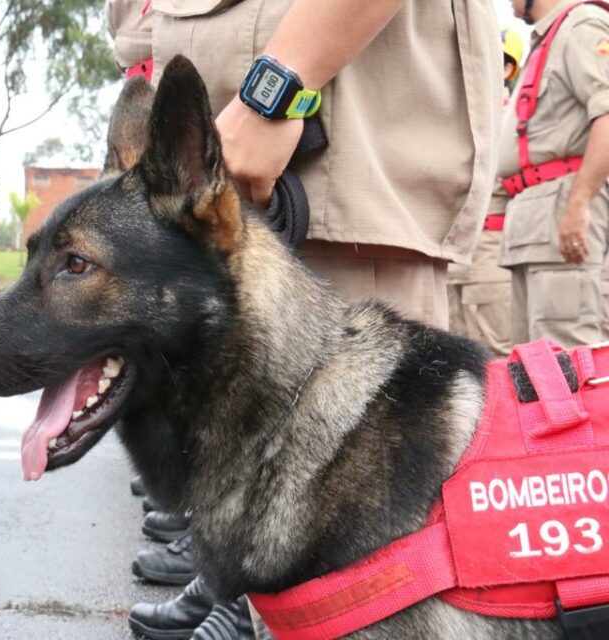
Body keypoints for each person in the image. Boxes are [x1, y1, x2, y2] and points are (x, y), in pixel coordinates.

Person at [108, 1, 502, 638]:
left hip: (332, 124)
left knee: (365, 566)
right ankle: (238, 592)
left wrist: (274, 92)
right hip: (248, 119)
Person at [497, 0, 609, 348]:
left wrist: (578, 204)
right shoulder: (550, 38)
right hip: (534, 217)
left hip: (561, 209)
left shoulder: (581, 25)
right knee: (534, 364)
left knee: (571, 358)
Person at [447, 29, 525, 357]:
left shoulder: (514, 117)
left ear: (507, 69)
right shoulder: (458, 114)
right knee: (456, 352)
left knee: (497, 354)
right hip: (455, 256)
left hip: (491, 252)